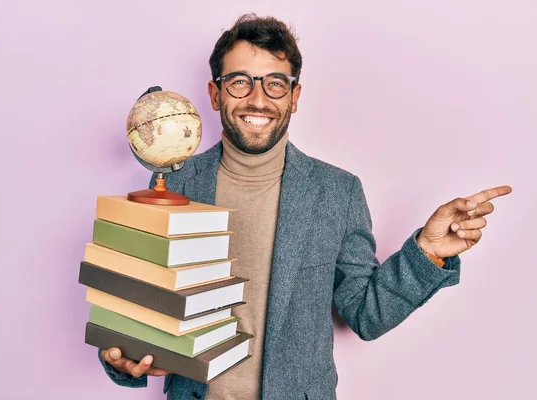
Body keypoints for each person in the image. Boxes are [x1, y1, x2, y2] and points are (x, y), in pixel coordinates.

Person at [97, 13, 512, 400]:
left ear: (294, 96)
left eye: (275, 83)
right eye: (240, 81)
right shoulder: (174, 183)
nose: (257, 99)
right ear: (215, 93)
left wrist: (428, 252)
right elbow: (139, 321)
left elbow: (366, 315)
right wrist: (121, 361)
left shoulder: (338, 192)